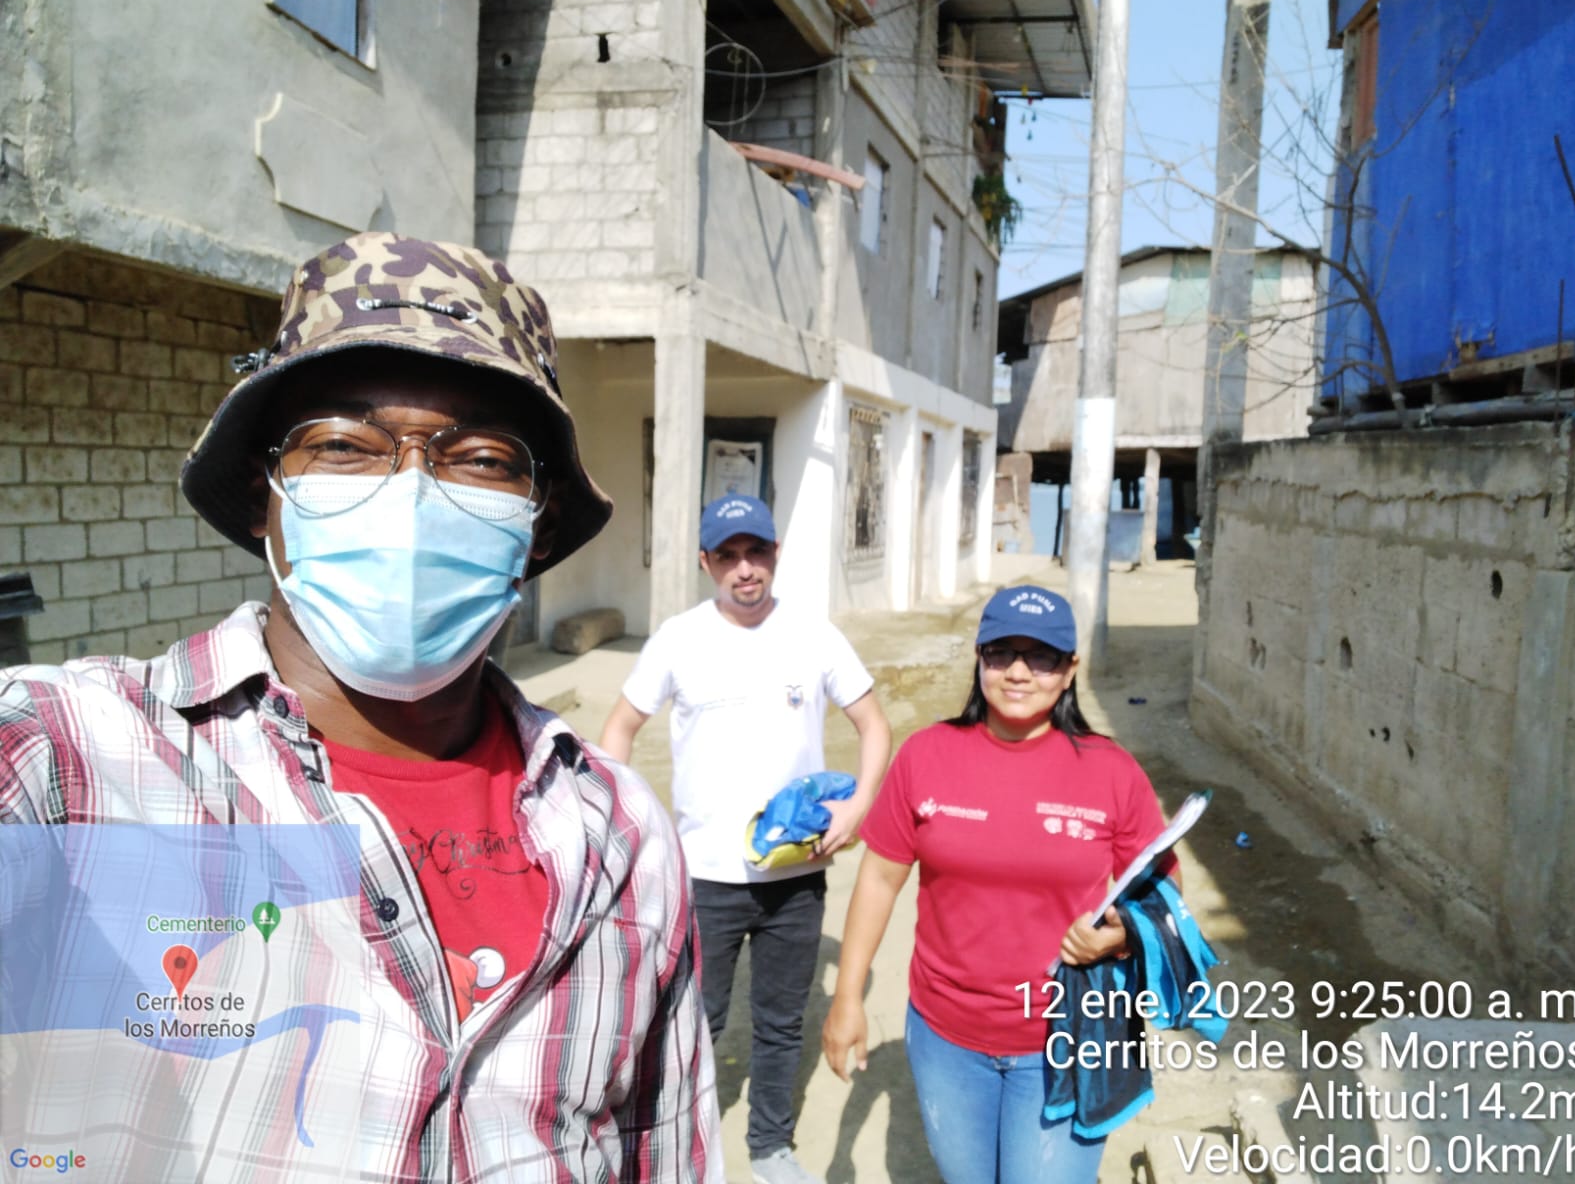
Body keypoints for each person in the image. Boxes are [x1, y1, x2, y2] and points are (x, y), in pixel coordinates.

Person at [0, 233, 721, 1182]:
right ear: (265, 496)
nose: (411, 492)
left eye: (481, 458)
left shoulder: (621, 837)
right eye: (343, 446)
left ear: (537, 522)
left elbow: (661, 1154)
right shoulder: (71, 759)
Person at [821, 585, 1174, 1184]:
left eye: (1041, 657)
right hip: (947, 1039)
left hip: (1069, 1037)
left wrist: (1121, 938)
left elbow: (1161, 893)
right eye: (1001, 652)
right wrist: (847, 997)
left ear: (1069, 671)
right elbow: (879, 878)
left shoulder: (1112, 772)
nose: (1018, 671)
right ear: (979, 657)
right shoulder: (926, 755)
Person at [599, 494, 891, 1184]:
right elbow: (618, 729)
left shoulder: (814, 636)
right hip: (705, 878)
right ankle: (676, 1146)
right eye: (727, 556)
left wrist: (857, 809)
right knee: (694, 1021)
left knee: (781, 1021)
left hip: (796, 874)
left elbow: (874, 725)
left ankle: (769, 1147)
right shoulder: (679, 638)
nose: (745, 569)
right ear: (706, 563)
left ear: (775, 554)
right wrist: (632, 827)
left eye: (756, 551)